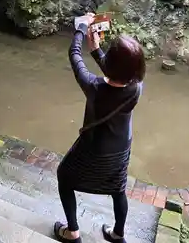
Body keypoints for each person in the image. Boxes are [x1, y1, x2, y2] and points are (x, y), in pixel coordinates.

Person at [53, 13, 145, 243]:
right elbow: (117, 74)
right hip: (121, 148)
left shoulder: (93, 86)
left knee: (64, 176)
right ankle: (118, 234)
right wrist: (96, 49)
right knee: (118, 188)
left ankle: (73, 231)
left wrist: (81, 28)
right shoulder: (137, 87)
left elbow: (74, 55)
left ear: (111, 64)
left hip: (94, 148)